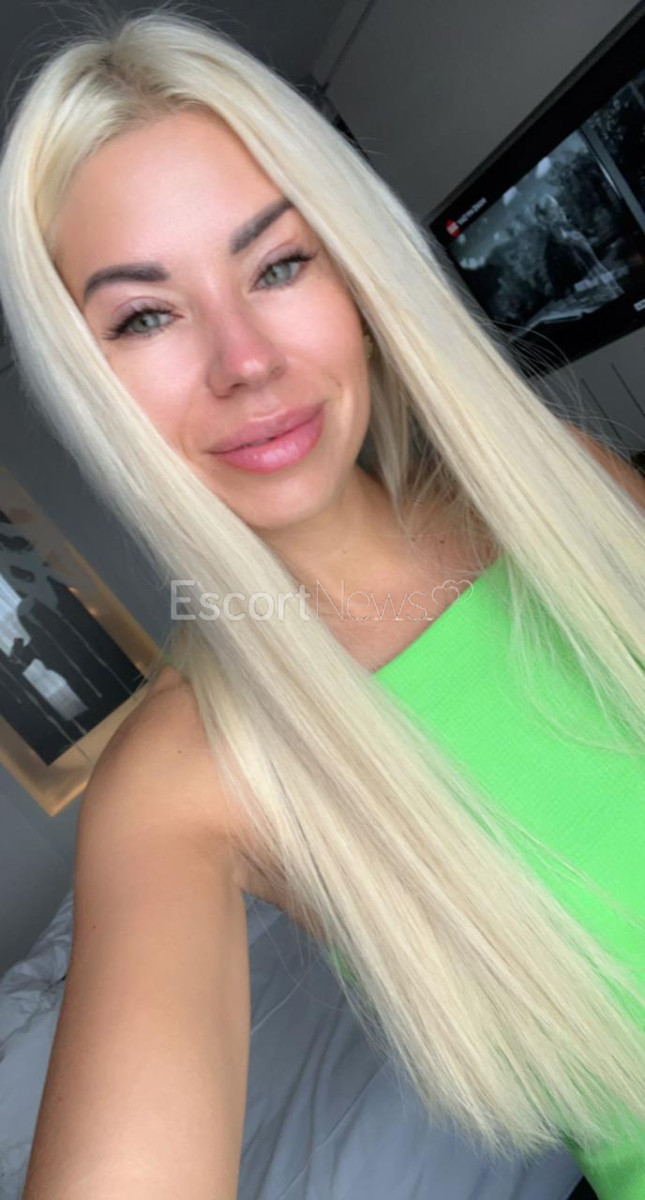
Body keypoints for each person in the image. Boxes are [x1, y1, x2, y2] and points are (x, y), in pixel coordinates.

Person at [0, 9, 644, 1198]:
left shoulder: (559, 485)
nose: (245, 359)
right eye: (145, 315)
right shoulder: (181, 778)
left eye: (280, 264)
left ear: (354, 276)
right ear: (91, 386)